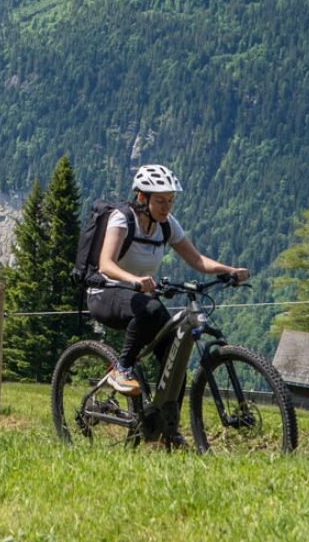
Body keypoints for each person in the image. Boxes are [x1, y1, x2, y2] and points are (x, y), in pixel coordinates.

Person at [87, 165, 247, 395]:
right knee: (150, 308)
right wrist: (135, 280)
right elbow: (106, 264)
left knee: (175, 356)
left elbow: (197, 260)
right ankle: (121, 369)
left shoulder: (166, 224)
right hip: (104, 293)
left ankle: (167, 427)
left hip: (138, 298)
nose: (167, 207)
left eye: (170, 201)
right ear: (142, 197)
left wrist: (230, 270)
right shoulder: (122, 219)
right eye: (161, 201)